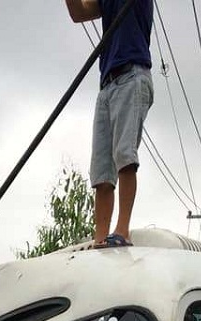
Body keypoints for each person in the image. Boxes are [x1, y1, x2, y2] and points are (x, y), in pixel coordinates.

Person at [64, 0, 153, 248]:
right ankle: (100, 238)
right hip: (107, 84)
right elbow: (78, 13)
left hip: (132, 74)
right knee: (102, 169)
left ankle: (122, 231)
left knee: (124, 154)